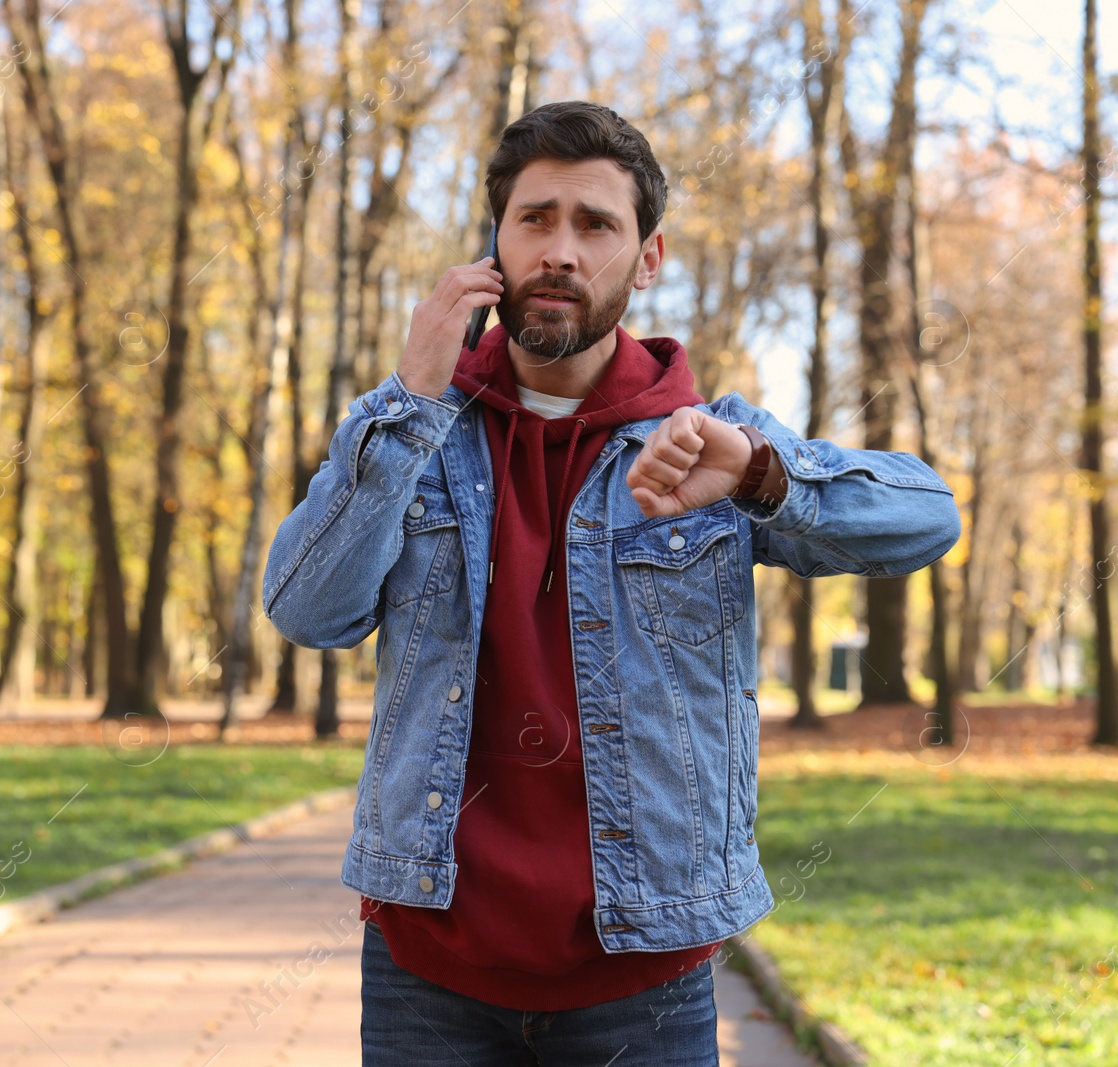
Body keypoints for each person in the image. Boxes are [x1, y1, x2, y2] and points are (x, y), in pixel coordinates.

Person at [261, 100, 960, 1066]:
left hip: (642, 967)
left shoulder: (706, 438)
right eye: (535, 218)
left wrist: (762, 473)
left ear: (647, 258)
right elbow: (306, 608)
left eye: (596, 225)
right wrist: (408, 403)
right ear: (494, 245)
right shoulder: (412, 428)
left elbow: (928, 516)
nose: (561, 249)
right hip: (428, 964)